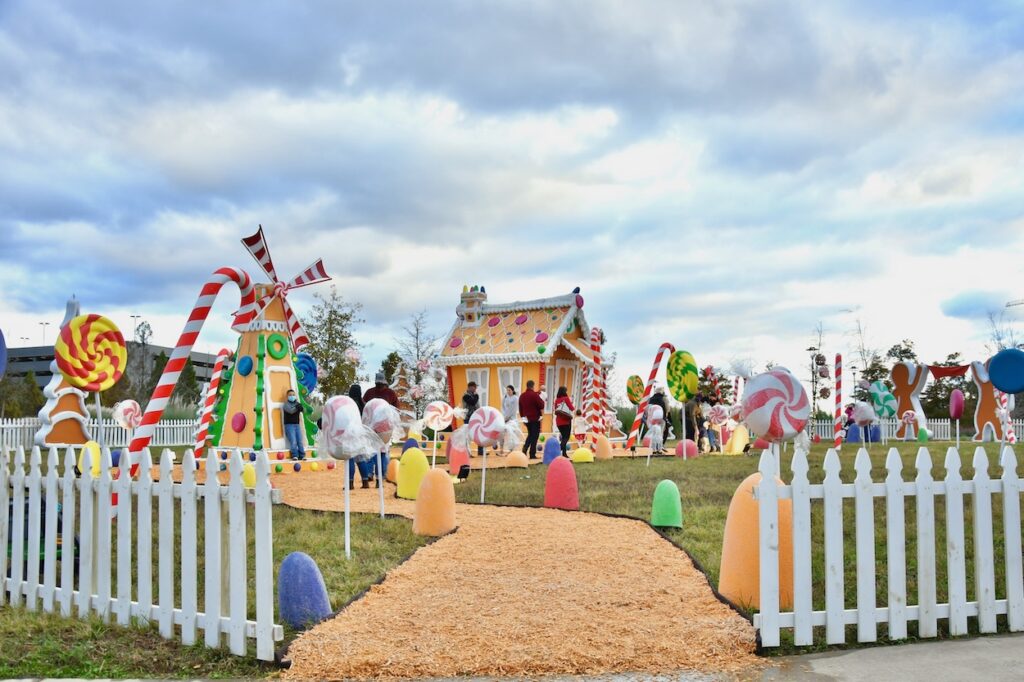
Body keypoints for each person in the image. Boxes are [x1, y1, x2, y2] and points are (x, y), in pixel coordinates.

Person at [362, 372, 398, 487]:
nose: (379, 386)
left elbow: (365, 407)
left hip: (379, 427)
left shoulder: (372, 393)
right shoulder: (388, 393)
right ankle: (378, 477)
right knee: (380, 452)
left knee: (375, 451)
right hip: (382, 427)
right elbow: (396, 409)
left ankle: (374, 475)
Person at [347, 382, 374, 489]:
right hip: (361, 434)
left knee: (349, 458)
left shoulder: (349, 405)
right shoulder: (364, 405)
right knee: (360, 458)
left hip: (349, 434)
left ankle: (350, 483)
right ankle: (365, 482)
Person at [518, 379, 545, 459]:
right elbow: (541, 405)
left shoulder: (522, 396)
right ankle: (532, 454)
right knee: (535, 436)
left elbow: (520, 408)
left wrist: (523, 418)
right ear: (533, 386)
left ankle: (525, 448)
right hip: (535, 418)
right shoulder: (534, 395)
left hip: (526, 419)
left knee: (530, 435)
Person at [282, 389, 305, 460]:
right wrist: (297, 407)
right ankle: (295, 455)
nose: (292, 396)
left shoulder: (297, 404)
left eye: (293, 395)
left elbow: (303, 410)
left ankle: (302, 455)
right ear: (287, 396)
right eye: (290, 395)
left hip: (297, 425)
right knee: (293, 441)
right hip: (289, 425)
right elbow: (291, 411)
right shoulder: (285, 405)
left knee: (300, 441)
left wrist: (301, 408)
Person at [462, 381, 483, 456]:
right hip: (468, 417)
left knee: (479, 433)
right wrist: (477, 396)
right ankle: (467, 452)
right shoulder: (465, 395)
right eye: (475, 387)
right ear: (470, 387)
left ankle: (481, 451)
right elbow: (473, 402)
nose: (476, 389)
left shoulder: (474, 394)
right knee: (468, 435)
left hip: (476, 417)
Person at [553, 386, 574, 456]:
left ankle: (564, 454)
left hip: (558, 422)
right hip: (566, 421)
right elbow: (572, 408)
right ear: (564, 392)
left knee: (563, 437)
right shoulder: (566, 399)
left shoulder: (556, 400)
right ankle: (558, 449)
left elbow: (556, 410)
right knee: (566, 437)